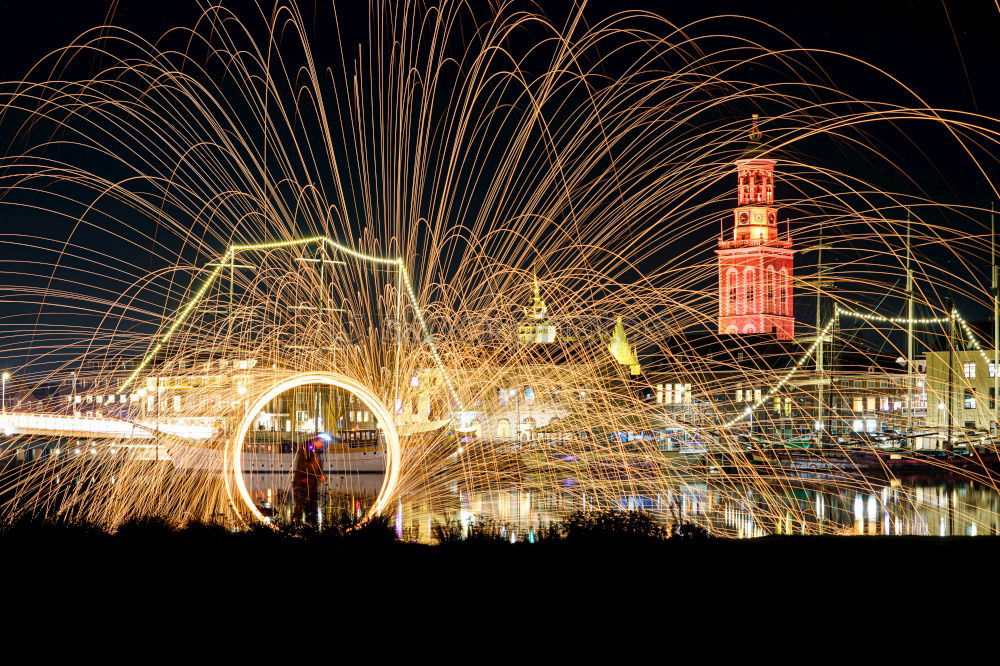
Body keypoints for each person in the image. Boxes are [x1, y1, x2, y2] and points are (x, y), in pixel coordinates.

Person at [290, 433, 328, 526]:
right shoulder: (306, 450)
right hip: (302, 486)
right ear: (315, 441)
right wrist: (318, 474)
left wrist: (321, 475)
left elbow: (318, 468)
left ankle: (310, 530)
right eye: (321, 442)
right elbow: (303, 466)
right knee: (299, 510)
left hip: (311, 487)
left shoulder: (316, 453)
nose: (322, 444)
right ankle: (294, 529)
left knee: (311, 511)